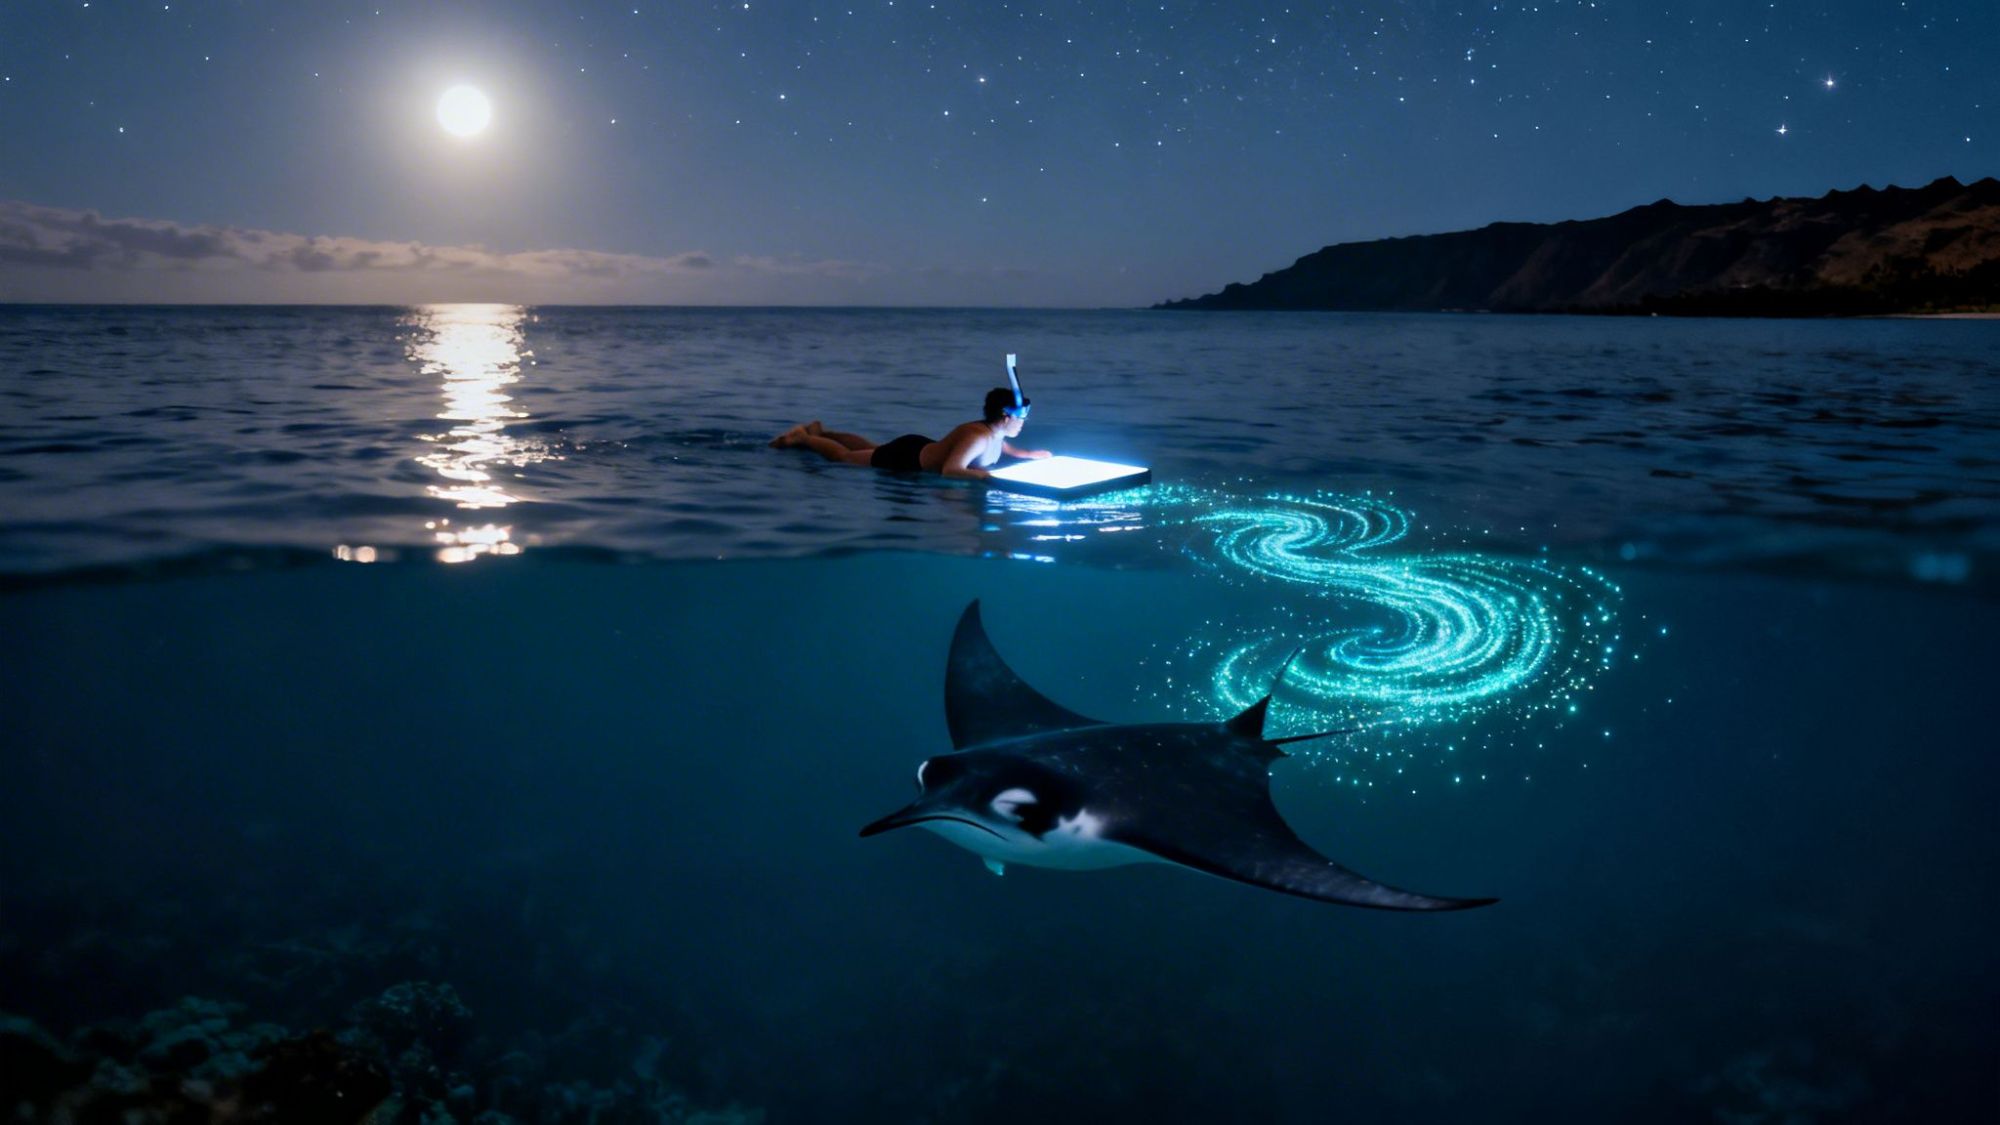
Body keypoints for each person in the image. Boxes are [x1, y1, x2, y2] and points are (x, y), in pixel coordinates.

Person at [771, 388, 1050, 480]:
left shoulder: (993, 433)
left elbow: (1002, 447)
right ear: (1005, 416)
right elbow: (951, 470)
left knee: (872, 448)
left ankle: (823, 431)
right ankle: (804, 437)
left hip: (918, 448)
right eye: (1021, 417)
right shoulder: (976, 436)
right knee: (844, 458)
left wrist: (1027, 455)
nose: (1024, 422)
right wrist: (987, 477)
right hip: (907, 458)